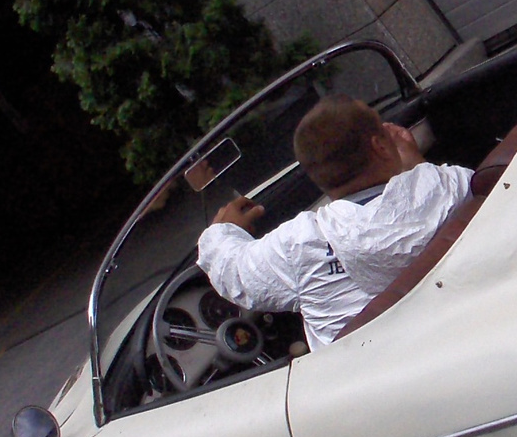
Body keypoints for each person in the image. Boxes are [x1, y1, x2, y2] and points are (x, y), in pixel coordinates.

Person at [197, 95, 472, 349]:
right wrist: (418, 169)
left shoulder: (299, 244)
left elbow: (232, 272)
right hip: (467, 330)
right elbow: (429, 202)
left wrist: (223, 231)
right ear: (379, 146)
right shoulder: (452, 185)